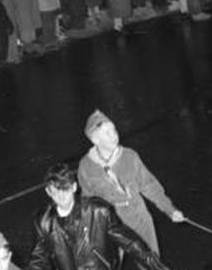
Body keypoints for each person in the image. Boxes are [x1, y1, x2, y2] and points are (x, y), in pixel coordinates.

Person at [25, 163, 172, 270]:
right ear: (48, 192)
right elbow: (38, 257)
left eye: (65, 188)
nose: (61, 195)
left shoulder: (98, 211)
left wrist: (158, 267)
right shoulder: (43, 220)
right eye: (55, 191)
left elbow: (130, 242)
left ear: (74, 187)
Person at [77, 111, 185, 253]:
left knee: (151, 261)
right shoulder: (86, 166)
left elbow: (150, 186)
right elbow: (88, 202)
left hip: (138, 217)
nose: (114, 135)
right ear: (95, 140)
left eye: (114, 129)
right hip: (111, 224)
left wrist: (170, 209)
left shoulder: (130, 156)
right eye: (107, 133)